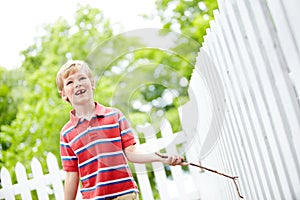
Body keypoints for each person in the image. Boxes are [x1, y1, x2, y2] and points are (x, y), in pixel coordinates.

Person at [56, 60, 185, 200]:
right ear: (63, 94)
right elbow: (71, 174)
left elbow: (132, 152)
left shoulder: (114, 116)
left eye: (82, 78)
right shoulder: (67, 133)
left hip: (125, 194)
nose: (77, 84)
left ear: (92, 83)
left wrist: (161, 158)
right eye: (70, 82)